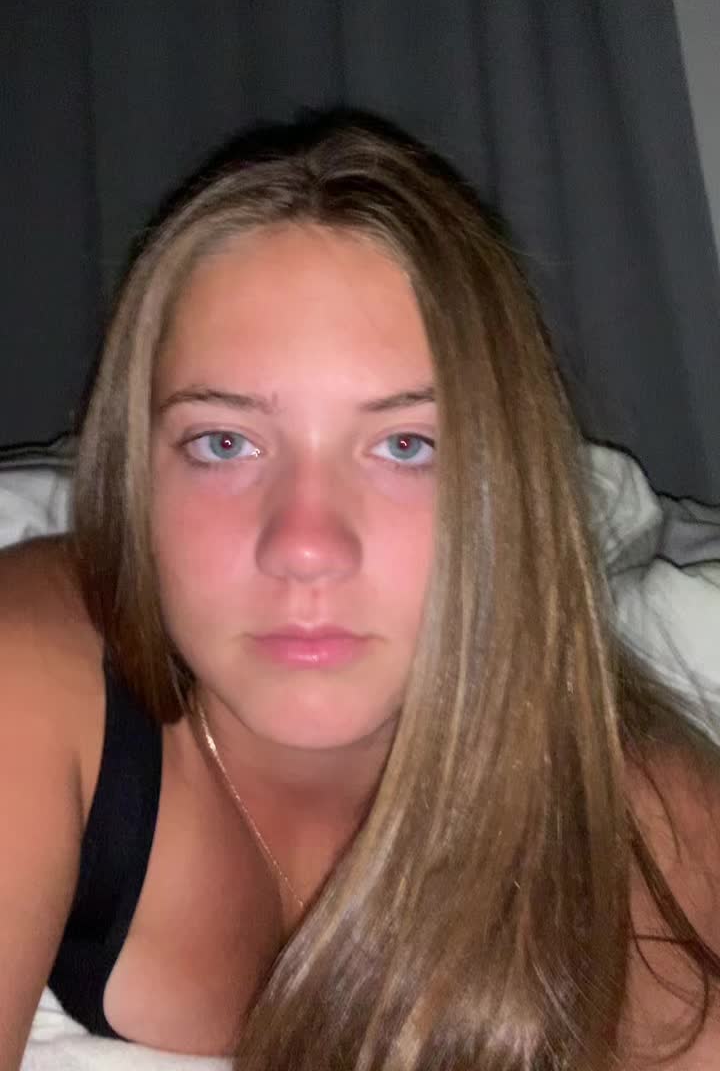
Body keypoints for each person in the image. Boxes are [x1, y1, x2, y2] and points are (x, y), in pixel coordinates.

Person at [1, 113, 719, 1071]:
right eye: (225, 442)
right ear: (135, 477)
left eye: (405, 446)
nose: (305, 546)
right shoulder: (28, 673)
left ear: (509, 492)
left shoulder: (642, 827)